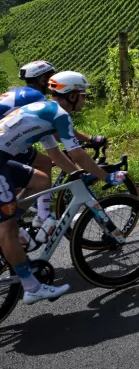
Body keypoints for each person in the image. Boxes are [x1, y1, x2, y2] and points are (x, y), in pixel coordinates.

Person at [0, 71, 126, 304]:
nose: (85, 100)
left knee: (40, 180)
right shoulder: (58, 116)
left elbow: (56, 156)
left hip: (3, 158)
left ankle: (15, 227)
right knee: (5, 228)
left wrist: (77, 174)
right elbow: (77, 154)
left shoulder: (47, 113)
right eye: (84, 96)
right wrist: (106, 178)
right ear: (72, 95)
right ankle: (31, 287)